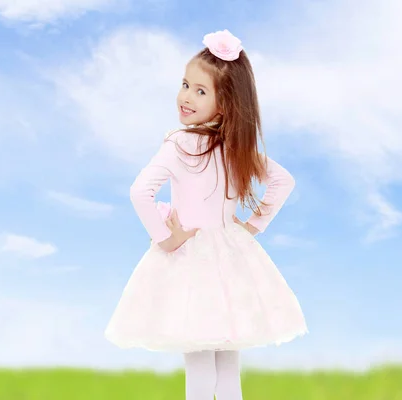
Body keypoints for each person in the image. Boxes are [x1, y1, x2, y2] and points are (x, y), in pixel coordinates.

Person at [104, 29, 308, 400]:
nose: (186, 97)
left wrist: (167, 238)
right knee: (228, 365)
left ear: (225, 103)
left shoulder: (181, 143)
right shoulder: (235, 147)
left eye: (201, 91)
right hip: (232, 256)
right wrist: (251, 227)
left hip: (191, 259)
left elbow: (139, 191)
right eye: (185, 84)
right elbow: (283, 181)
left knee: (199, 363)